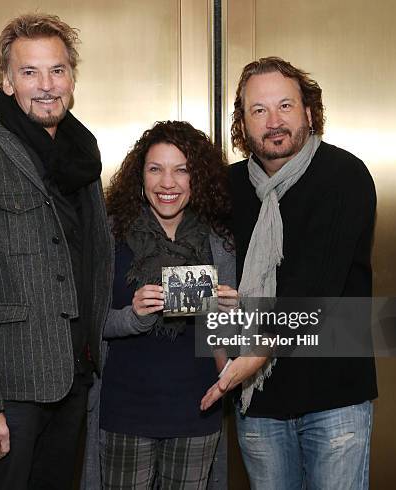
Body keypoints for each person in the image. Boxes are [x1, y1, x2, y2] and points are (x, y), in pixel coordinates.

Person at [0, 13, 113, 490]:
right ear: (7, 82)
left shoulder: (82, 156)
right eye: (29, 72)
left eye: (57, 70)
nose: (46, 85)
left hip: (75, 377)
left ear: (72, 78)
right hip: (9, 392)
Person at [200, 57, 378, 489]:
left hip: (335, 398)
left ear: (309, 112)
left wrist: (251, 359)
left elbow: (318, 288)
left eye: (285, 106)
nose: (274, 121)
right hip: (260, 402)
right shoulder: (229, 187)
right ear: (243, 123)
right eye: (258, 110)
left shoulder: (344, 175)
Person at [83, 121, 237, 490]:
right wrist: (132, 317)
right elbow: (87, 323)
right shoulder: (109, 234)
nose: (167, 183)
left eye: (181, 170)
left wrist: (229, 316)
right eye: (156, 169)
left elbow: (226, 346)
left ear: (196, 178)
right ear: (141, 176)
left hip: (197, 412)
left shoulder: (220, 241)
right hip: (124, 412)